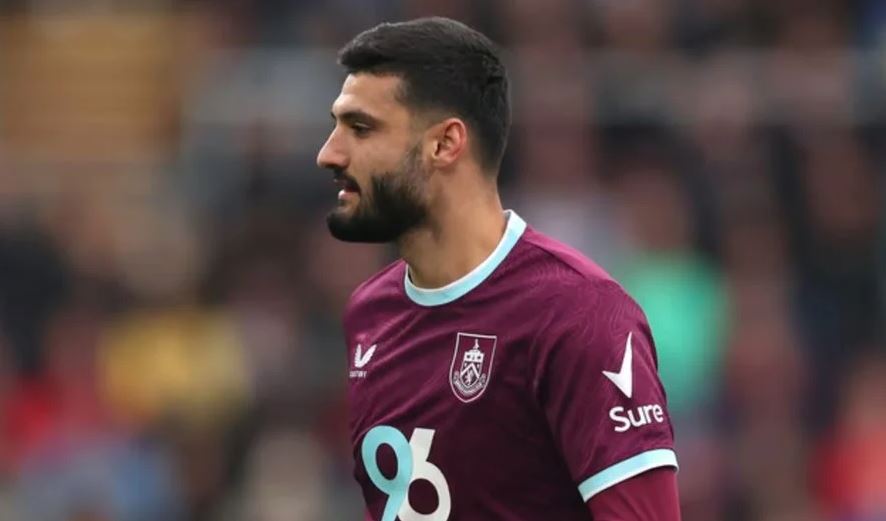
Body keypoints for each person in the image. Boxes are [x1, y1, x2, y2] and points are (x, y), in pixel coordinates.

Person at [316, 16, 681, 521]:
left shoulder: (579, 315)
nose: (329, 153)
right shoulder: (369, 312)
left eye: (360, 128)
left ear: (445, 144)